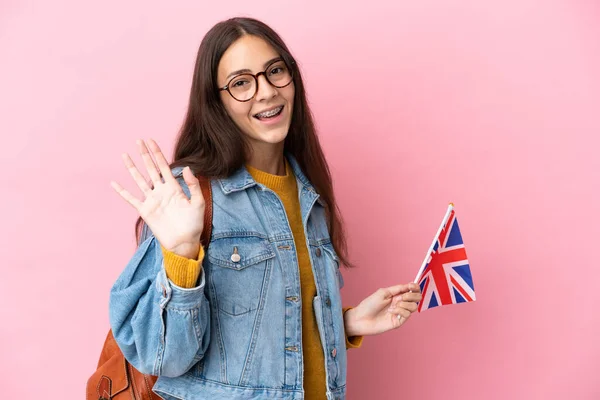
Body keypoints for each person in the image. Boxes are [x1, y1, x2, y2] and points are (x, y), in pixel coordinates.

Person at [108, 17, 422, 400]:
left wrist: (346, 323)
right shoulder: (188, 197)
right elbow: (162, 358)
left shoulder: (310, 196)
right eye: (241, 83)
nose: (267, 92)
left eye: (275, 71)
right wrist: (183, 255)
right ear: (216, 101)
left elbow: (264, 337)